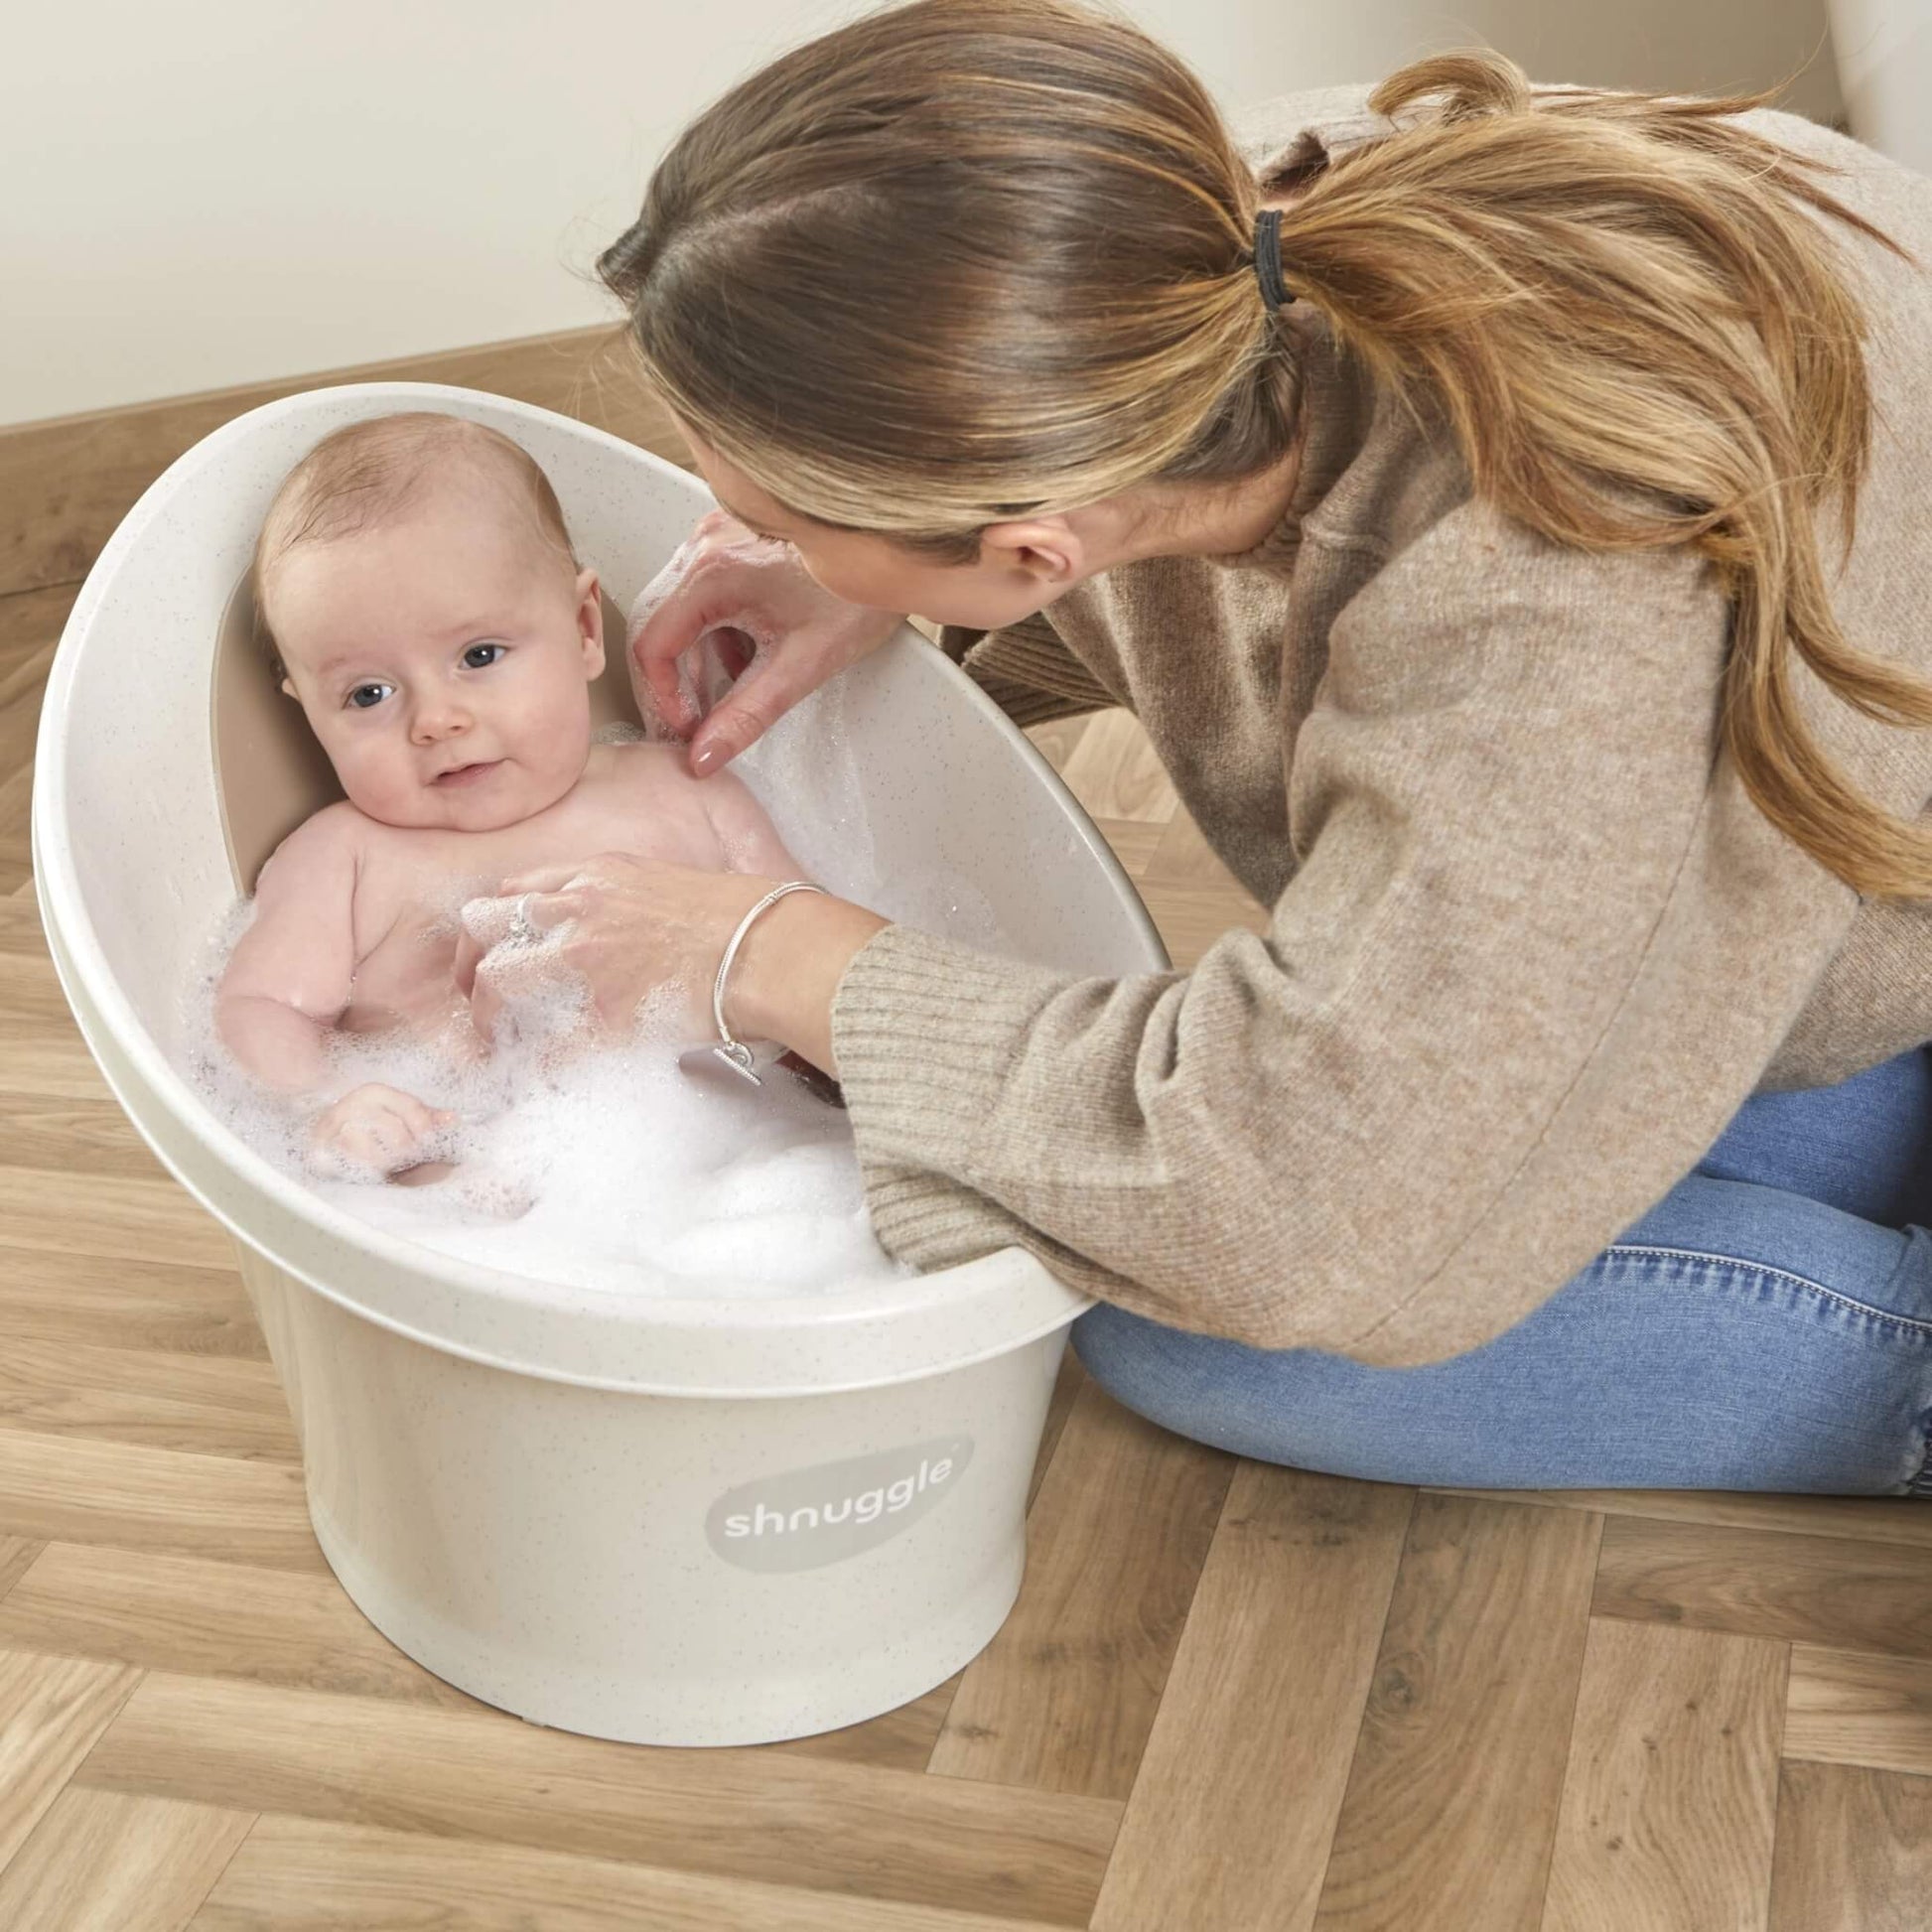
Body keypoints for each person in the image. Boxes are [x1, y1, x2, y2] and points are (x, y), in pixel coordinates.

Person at [464, 0, 1932, 1492]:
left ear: (1034, 543)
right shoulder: (1180, 240)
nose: (749, 551)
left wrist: (778, 955)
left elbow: (1303, 1211)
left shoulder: (1554, 603)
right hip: (1861, 871)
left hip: (1859, 907)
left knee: (1184, 1325)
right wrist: (856, 582)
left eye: (777, 520)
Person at [215, 412, 801, 1176]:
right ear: (308, 708)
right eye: (368, 694)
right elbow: (261, 1008)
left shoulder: (690, 790)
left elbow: (809, 948)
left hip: (733, 1161)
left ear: (585, 628)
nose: (436, 720)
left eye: (479, 655)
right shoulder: (345, 854)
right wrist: (327, 1103)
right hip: (472, 1181)